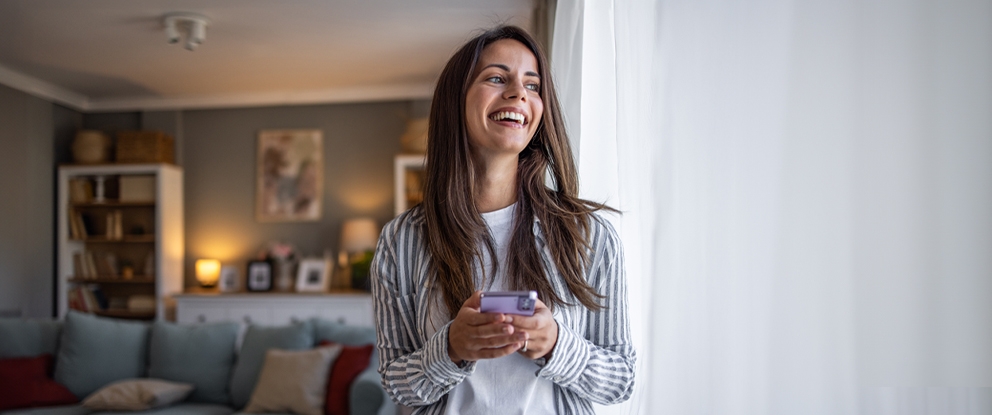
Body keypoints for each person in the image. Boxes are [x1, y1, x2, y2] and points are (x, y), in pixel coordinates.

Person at [371, 25, 635, 414]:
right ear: (455, 100)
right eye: (497, 78)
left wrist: (557, 344)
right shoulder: (402, 241)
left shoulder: (590, 235)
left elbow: (621, 380)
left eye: (532, 85)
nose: (518, 93)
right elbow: (398, 386)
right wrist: (451, 348)